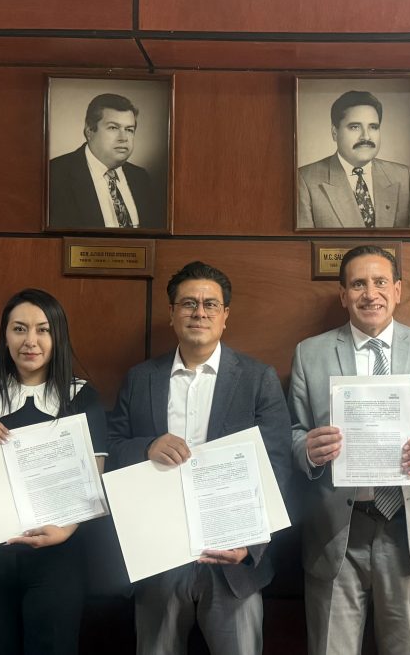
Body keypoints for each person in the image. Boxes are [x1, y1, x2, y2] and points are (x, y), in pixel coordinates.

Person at [289, 244, 410, 655]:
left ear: (398, 290)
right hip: (335, 530)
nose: (370, 293)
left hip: (409, 528)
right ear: (343, 295)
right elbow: (293, 432)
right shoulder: (310, 353)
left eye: (380, 282)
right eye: (358, 284)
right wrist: (308, 450)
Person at [107, 261, 292, 655]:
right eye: (189, 303)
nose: (199, 312)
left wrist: (251, 547)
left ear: (225, 316)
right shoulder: (141, 378)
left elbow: (278, 467)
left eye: (211, 304)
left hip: (232, 560)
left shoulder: (257, 378)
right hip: (160, 555)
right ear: (172, 313)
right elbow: (112, 446)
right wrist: (146, 447)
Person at [0, 288, 108, 655]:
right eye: (19, 329)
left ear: (58, 337)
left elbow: (95, 478)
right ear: (5, 336)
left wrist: (64, 529)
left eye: (43, 330)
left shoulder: (82, 398)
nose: (31, 341)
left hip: (58, 557)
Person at [297, 90, 410, 229]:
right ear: (334, 132)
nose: (366, 136)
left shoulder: (403, 176)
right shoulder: (305, 180)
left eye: (373, 127)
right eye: (355, 127)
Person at [48, 93, 159, 230]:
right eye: (113, 128)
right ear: (89, 131)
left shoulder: (141, 178)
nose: (124, 138)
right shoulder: (53, 175)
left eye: (129, 130)